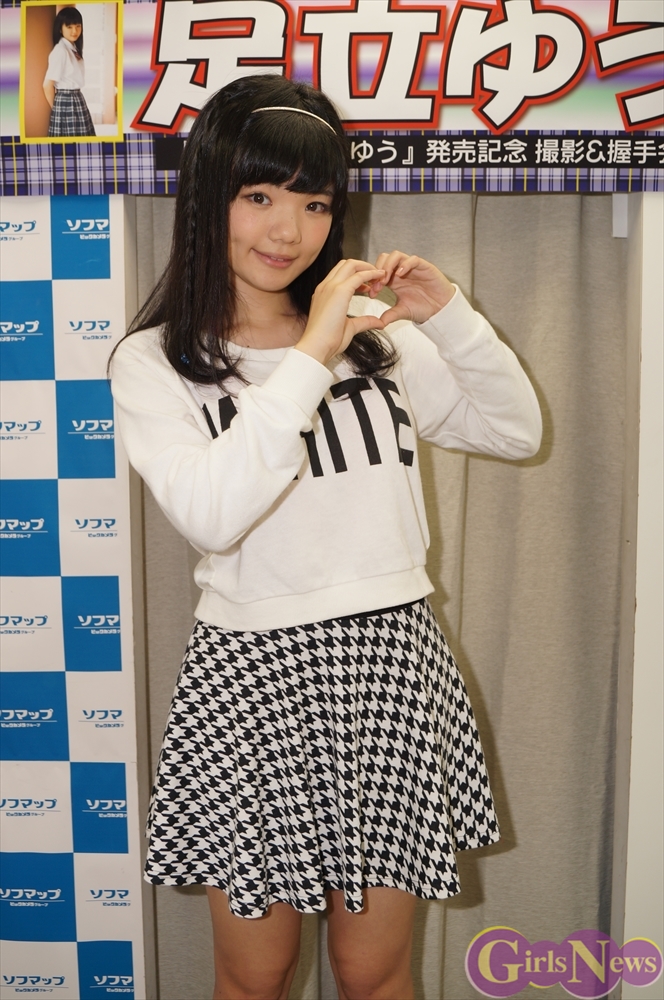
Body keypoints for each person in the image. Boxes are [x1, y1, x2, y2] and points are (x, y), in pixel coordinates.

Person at [110, 74, 542, 1000]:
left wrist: (450, 318)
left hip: (389, 660)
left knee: (375, 972)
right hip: (252, 673)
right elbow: (212, 512)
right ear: (209, 199)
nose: (289, 230)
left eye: (314, 204)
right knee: (254, 975)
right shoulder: (155, 361)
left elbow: (516, 431)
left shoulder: (379, 340)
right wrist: (310, 351)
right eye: (260, 196)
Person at [43, 6, 95, 138]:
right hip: (66, 101)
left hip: (77, 98)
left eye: (78, 26)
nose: (75, 31)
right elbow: (47, 85)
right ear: (60, 29)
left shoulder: (72, 48)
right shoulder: (60, 51)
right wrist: (57, 109)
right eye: (69, 27)